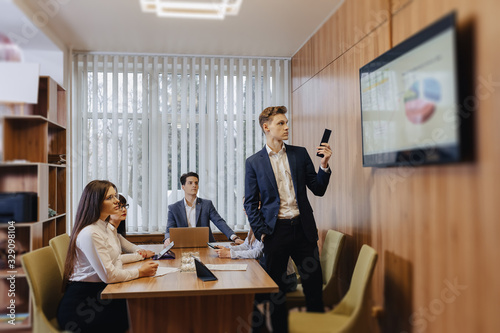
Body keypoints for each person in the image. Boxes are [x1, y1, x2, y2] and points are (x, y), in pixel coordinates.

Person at [244, 106, 332, 333]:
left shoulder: (299, 154)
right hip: (276, 233)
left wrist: (324, 165)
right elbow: (250, 203)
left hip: (303, 230)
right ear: (266, 127)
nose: (286, 127)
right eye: (281, 123)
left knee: (313, 289)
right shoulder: (254, 162)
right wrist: (263, 232)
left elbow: (318, 189)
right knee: (276, 293)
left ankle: (317, 329)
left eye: (286, 122)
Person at [57, 180, 159, 333]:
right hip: (82, 306)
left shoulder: (104, 228)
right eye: (110, 197)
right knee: (142, 311)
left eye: (115, 196)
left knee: (146, 306)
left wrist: (137, 261)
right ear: (95, 203)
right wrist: (140, 272)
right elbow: (109, 276)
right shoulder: (91, 233)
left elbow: (115, 260)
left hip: (100, 292)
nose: (117, 201)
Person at [163, 172, 244, 246]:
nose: (194, 185)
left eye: (196, 183)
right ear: (183, 187)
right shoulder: (173, 208)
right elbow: (169, 228)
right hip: (182, 245)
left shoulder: (207, 204)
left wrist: (234, 237)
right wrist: (167, 238)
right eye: (190, 183)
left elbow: (219, 222)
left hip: (206, 245)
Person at [108, 194, 155, 263]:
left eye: (124, 206)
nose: (124, 210)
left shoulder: (115, 233)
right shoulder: (106, 231)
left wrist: (141, 251)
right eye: (119, 207)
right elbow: (116, 260)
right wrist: (141, 256)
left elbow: (131, 247)